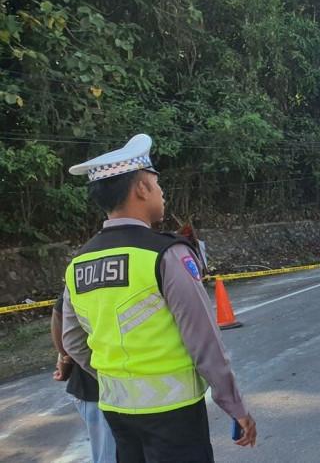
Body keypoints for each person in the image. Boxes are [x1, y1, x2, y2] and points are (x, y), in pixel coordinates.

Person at [61, 134, 257, 462]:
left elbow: (73, 341)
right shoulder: (165, 254)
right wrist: (234, 406)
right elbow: (204, 341)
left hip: (117, 410)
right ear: (141, 188)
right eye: (156, 183)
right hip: (173, 411)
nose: (161, 191)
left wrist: (114, 380)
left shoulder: (79, 262)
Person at [51, 294, 117, 463]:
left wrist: (65, 358)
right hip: (94, 387)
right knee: (109, 454)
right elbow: (59, 315)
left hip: (108, 386)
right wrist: (65, 358)